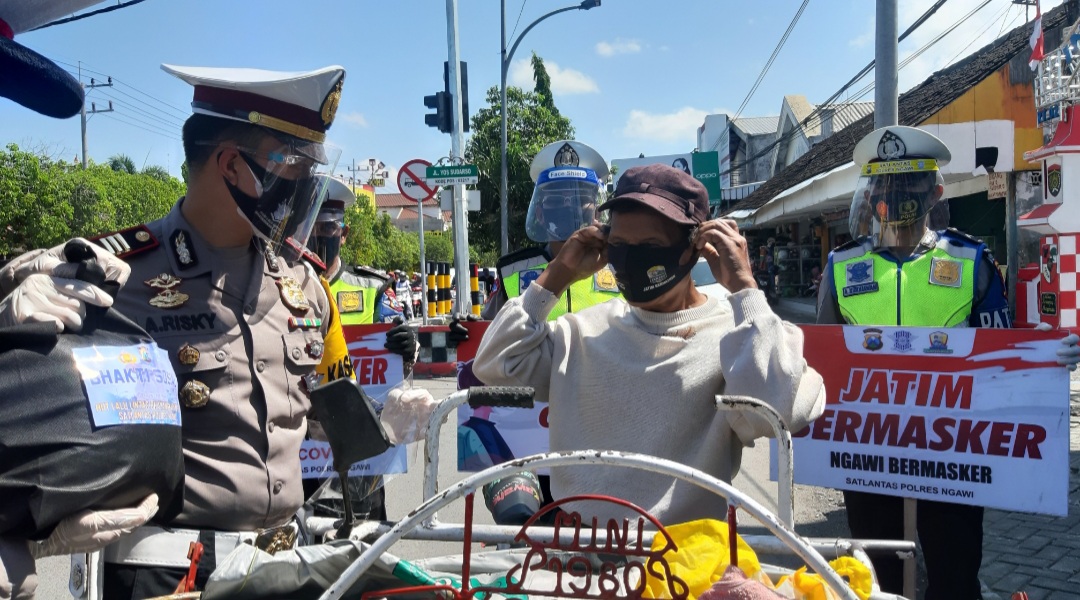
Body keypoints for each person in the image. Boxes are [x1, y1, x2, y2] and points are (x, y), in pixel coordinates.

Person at [0, 62, 350, 597]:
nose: (305, 187)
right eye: (293, 166)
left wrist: (388, 418)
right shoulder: (113, 276)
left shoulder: (302, 285)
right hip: (170, 574)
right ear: (231, 165)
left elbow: (323, 418)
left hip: (291, 568)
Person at [472, 163, 825, 524]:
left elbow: (782, 411)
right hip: (582, 548)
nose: (630, 259)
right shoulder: (581, 333)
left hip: (688, 551)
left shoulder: (735, 336)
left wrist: (746, 290)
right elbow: (493, 365)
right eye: (619, 245)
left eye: (651, 246)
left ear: (694, 248)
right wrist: (558, 274)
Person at [816, 125, 1080, 599]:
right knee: (876, 581)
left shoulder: (971, 261)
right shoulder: (840, 267)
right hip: (870, 451)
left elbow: (1000, 349)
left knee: (955, 579)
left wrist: (1043, 356)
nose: (894, 196)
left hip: (952, 454)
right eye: (884, 186)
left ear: (935, 192)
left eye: (908, 185)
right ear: (870, 195)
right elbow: (820, 359)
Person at [454, 140, 622, 516]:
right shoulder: (512, 270)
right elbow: (490, 345)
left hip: (602, 435)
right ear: (541, 208)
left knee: (604, 539)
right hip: (525, 440)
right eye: (558, 200)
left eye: (581, 200)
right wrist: (464, 338)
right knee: (527, 532)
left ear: (596, 206)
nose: (571, 209)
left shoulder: (620, 267)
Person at [301, 174, 418, 523]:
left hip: (360, 448)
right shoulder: (279, 287)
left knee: (364, 541)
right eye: (312, 227)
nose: (320, 236)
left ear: (344, 233)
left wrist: (407, 349)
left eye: (329, 227)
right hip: (298, 448)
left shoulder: (372, 289)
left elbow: (399, 371)